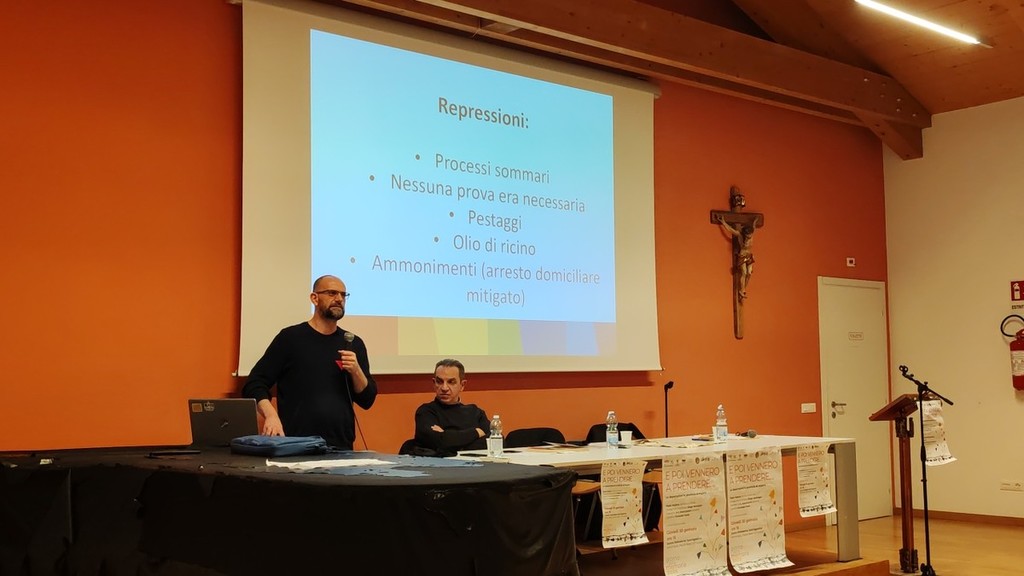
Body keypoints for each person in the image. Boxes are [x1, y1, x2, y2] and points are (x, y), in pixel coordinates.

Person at [241, 275, 377, 449]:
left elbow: (367, 400)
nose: (339, 299)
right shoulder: (290, 338)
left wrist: (356, 371)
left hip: (340, 446)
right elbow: (254, 384)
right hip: (296, 444)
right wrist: (271, 415)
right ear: (314, 298)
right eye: (332, 293)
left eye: (343, 295)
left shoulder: (352, 343)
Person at [411, 358, 489, 456]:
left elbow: (496, 441)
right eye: (439, 382)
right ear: (434, 383)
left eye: (451, 382)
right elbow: (439, 442)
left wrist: (447, 436)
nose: (444, 388)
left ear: (462, 385)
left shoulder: (475, 413)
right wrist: (476, 432)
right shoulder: (425, 412)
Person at [718, 215, 755, 300]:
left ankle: (743, 290)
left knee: (749, 273)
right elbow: (730, 230)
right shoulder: (739, 235)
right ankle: (742, 291)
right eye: (748, 236)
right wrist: (723, 222)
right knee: (744, 272)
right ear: (744, 234)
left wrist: (755, 221)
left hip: (749, 256)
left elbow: (754, 226)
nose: (749, 238)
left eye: (750, 236)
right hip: (742, 256)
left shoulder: (752, 234)